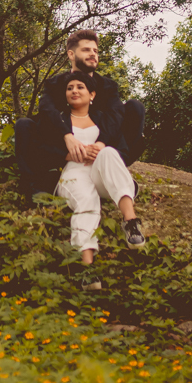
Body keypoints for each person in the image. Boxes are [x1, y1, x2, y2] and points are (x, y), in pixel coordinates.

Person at [14, 29, 145, 198]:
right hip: (63, 150)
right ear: (71, 54)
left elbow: (116, 115)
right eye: (86, 50)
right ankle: (36, 187)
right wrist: (67, 136)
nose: (93, 54)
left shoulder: (108, 86)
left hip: (104, 150)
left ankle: (114, 172)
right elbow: (46, 111)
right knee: (24, 125)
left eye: (95, 51)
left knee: (135, 108)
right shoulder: (55, 84)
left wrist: (101, 144)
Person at [54, 70, 145, 284]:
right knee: (86, 200)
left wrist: (100, 147)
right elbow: (43, 149)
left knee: (109, 152)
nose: (74, 91)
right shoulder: (59, 120)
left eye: (80, 87)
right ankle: (88, 269)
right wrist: (68, 154)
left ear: (92, 94)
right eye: (70, 88)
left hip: (100, 173)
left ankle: (130, 222)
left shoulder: (104, 119)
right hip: (74, 173)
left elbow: (121, 149)